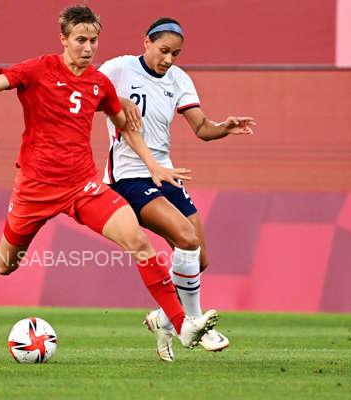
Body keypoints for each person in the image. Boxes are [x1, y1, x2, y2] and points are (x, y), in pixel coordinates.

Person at [0, 5, 219, 352]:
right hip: (35, 189)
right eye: (81, 40)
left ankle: (181, 324)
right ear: (63, 40)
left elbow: (125, 125)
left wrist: (153, 165)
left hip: (83, 186)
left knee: (139, 243)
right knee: (4, 263)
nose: (88, 47)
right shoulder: (38, 69)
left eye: (94, 40)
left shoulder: (99, 83)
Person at [99, 17, 256, 361]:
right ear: (146, 42)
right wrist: (114, 103)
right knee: (185, 238)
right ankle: (195, 322)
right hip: (129, 176)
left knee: (199, 258)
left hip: (166, 174)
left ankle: (164, 320)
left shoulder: (179, 79)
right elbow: (89, 90)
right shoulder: (119, 69)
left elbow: (201, 127)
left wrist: (223, 127)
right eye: (164, 50)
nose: (168, 59)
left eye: (176, 53)